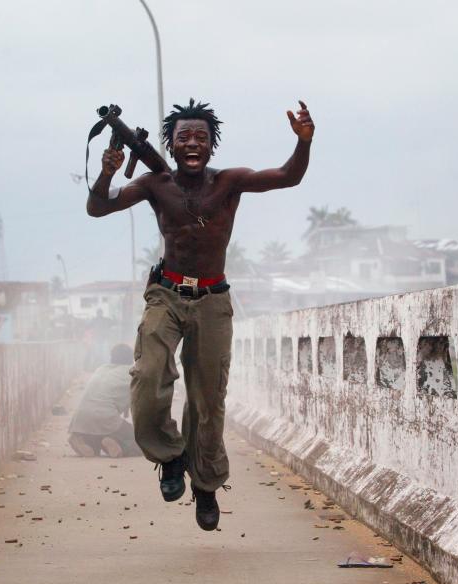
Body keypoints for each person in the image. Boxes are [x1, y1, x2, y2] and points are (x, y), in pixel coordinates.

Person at [86, 98, 314, 530]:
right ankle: (170, 457)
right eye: (184, 137)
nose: (193, 143)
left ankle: (205, 484)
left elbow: (288, 176)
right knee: (149, 374)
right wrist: (108, 172)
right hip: (166, 295)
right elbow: (98, 207)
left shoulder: (229, 182)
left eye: (201, 138)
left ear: (212, 146)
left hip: (213, 300)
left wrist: (303, 142)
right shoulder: (155, 184)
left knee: (208, 399)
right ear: (170, 144)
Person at [68, 343, 142, 458]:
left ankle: (82, 440)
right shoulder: (133, 373)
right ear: (130, 358)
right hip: (105, 418)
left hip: (80, 419)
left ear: (112, 357)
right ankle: (117, 443)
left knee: (97, 435)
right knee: (139, 441)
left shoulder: (101, 369)